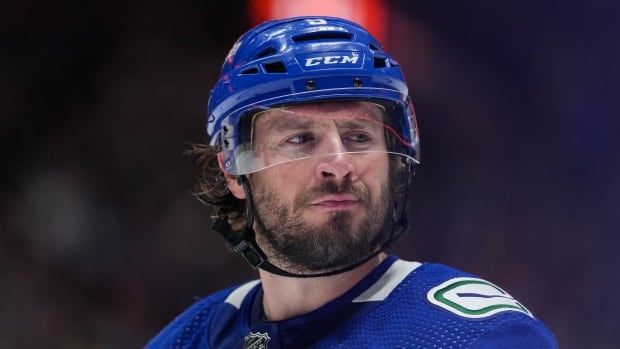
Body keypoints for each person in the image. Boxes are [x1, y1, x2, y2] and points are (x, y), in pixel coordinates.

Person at [147, 16, 558, 348]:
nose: (338, 164)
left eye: (359, 137)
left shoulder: (475, 337)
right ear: (233, 171)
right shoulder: (192, 337)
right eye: (300, 139)